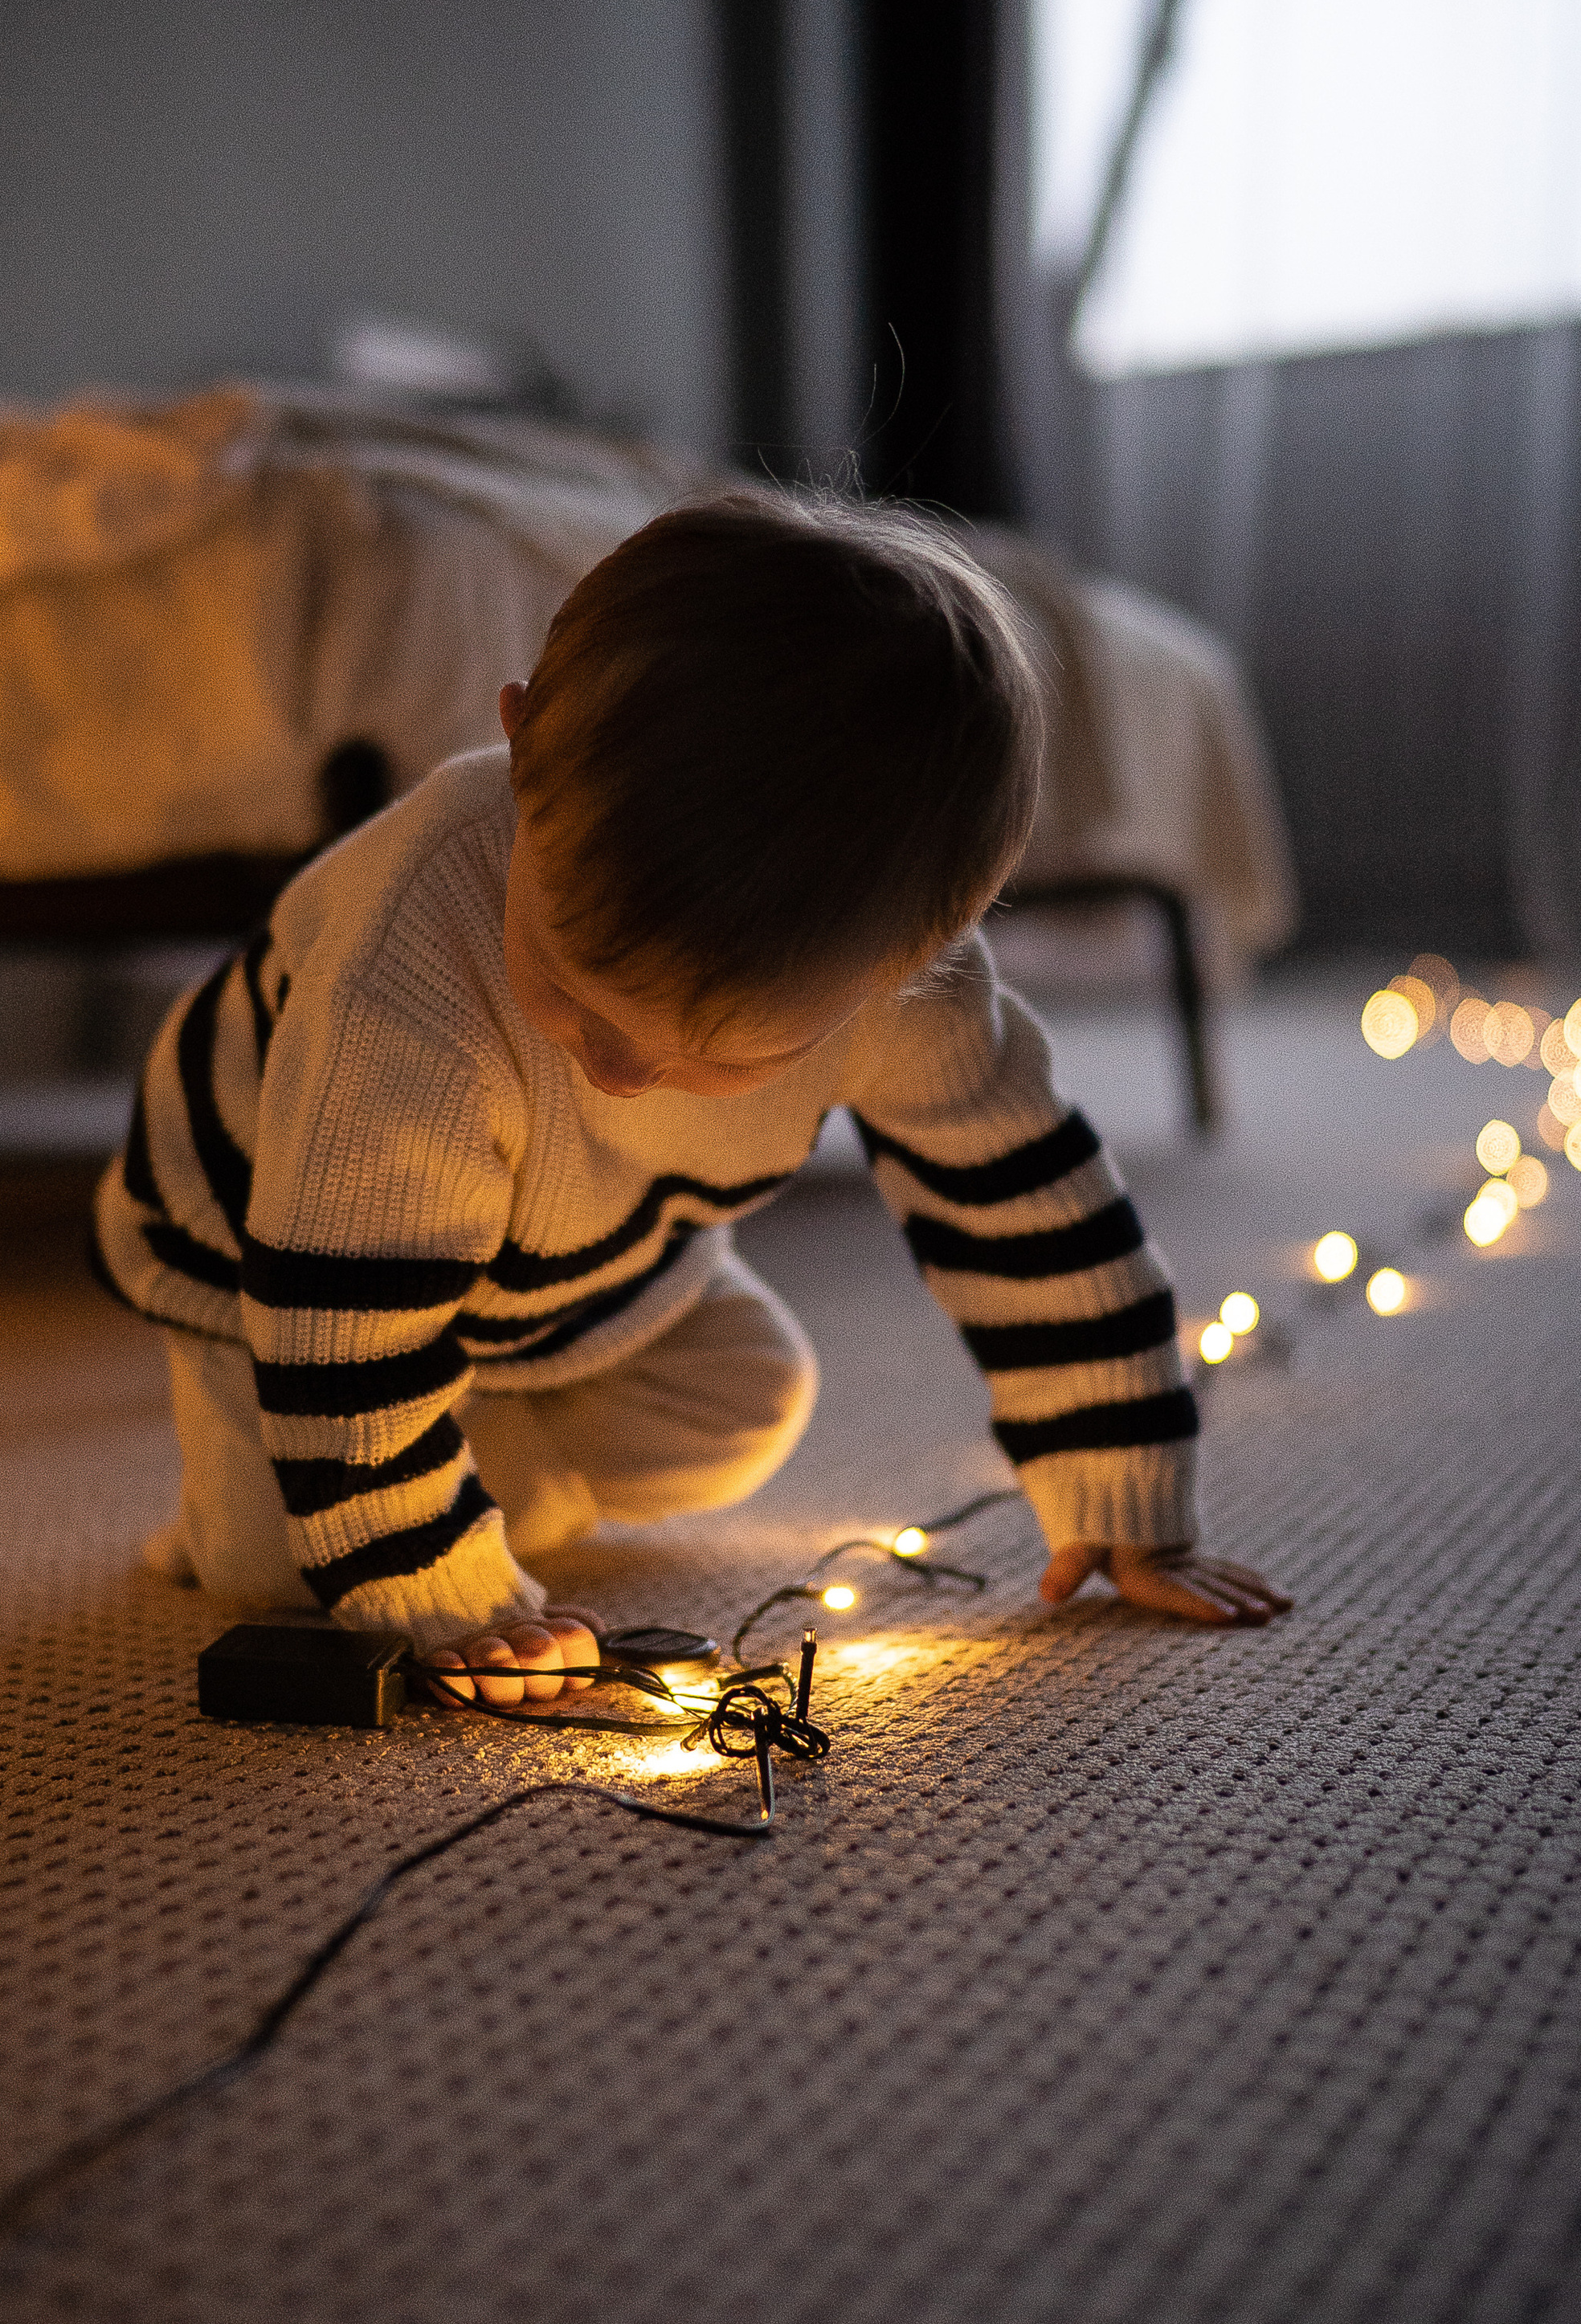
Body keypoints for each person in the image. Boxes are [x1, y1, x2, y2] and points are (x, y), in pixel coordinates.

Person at [93, 490, 1289, 1706]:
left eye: (722, 1062)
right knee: (271, 1560)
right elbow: (340, 1316)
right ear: (522, 750)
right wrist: (445, 1596)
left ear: (914, 957)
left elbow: (1034, 1210)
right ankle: (396, 1478)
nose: (615, 1071)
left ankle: (462, 1453)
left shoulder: (900, 985)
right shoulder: (406, 964)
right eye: (568, 987)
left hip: (579, 1259)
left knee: (753, 1398)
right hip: (273, 1258)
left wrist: (1124, 1487)